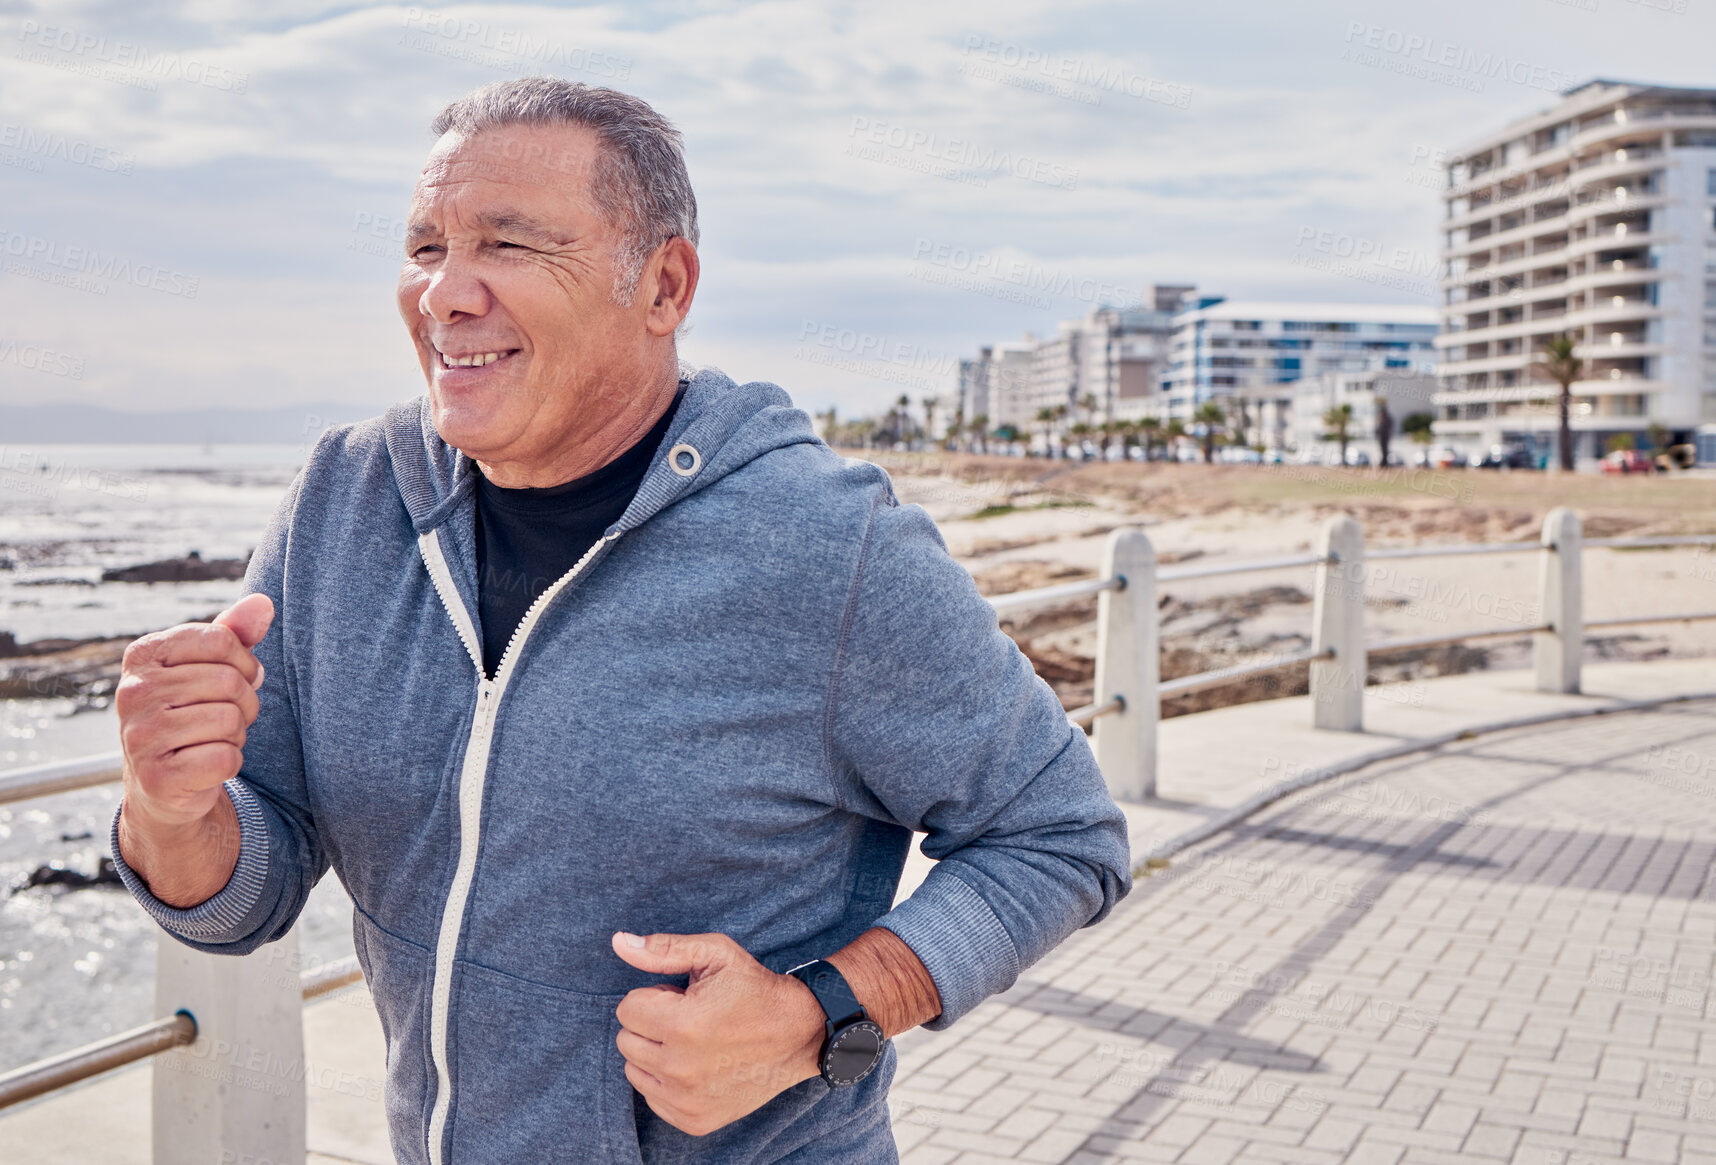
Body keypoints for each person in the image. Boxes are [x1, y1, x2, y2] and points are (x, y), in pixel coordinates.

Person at [111, 77, 1131, 1164]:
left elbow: (1062, 834)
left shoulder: (823, 544)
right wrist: (172, 811)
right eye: (424, 248)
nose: (445, 294)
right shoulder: (343, 500)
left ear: (663, 285)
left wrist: (820, 1010)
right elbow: (241, 902)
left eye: (508, 244)